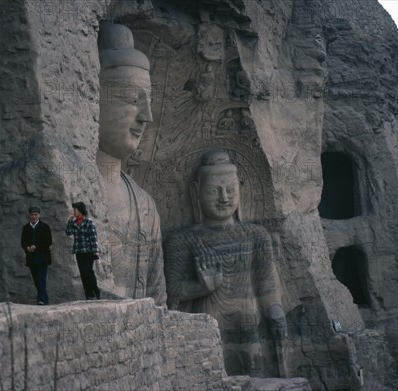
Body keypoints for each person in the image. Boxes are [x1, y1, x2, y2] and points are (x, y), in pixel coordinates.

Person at [164, 149, 287, 377]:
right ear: (196, 193)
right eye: (214, 191)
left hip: (249, 323)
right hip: (206, 325)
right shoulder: (182, 241)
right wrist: (201, 287)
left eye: (230, 190)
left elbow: (267, 285)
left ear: (240, 190)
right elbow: (170, 291)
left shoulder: (256, 235)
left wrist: (276, 311)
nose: (224, 197)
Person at [95, 23, 166, 305]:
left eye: (148, 102)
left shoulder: (145, 205)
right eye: (134, 99)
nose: (146, 116)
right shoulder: (71, 189)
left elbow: (159, 299)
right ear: (93, 94)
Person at [65, 202, 101, 300]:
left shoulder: (89, 222)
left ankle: (96, 289)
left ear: (80, 210)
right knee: (83, 274)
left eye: (75, 209)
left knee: (88, 271)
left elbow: (93, 238)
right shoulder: (75, 222)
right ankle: (88, 295)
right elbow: (68, 232)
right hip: (79, 251)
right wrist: (70, 221)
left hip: (88, 251)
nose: (73, 211)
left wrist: (95, 252)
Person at [21, 205, 52, 305]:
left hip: (42, 257)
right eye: (32, 215)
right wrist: (27, 248)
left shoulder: (45, 227)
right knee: (36, 280)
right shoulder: (26, 228)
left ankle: (41, 300)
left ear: (39, 215)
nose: (34, 217)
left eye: (36, 215)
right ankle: (45, 299)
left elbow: (48, 241)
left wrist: (36, 246)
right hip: (31, 258)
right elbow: (23, 242)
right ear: (29, 216)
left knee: (41, 278)